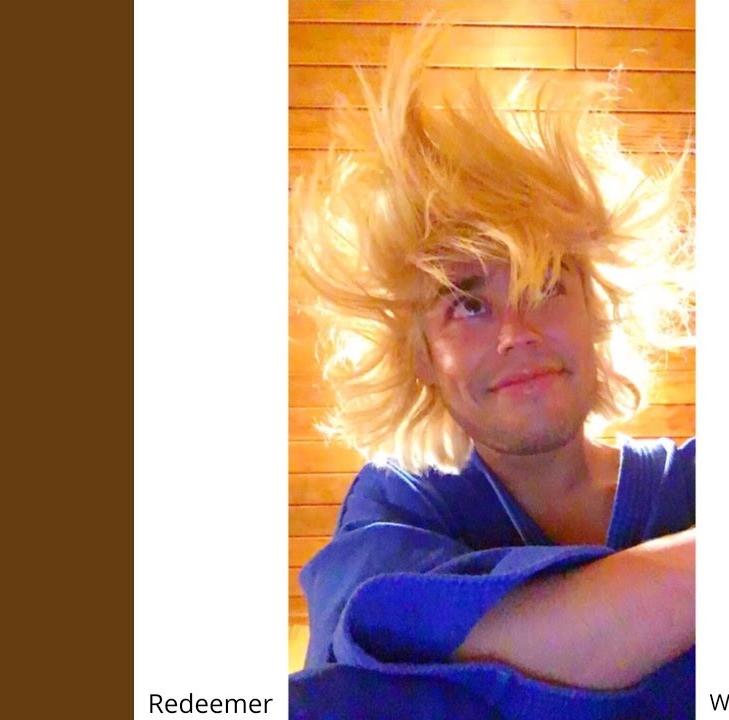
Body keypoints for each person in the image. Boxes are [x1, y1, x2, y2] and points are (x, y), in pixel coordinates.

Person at [288, 24, 696, 720]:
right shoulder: (397, 505)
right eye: (467, 303)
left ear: (598, 311)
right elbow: (385, 652)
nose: (517, 333)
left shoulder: (693, 484)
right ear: (422, 355)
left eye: (546, 284)